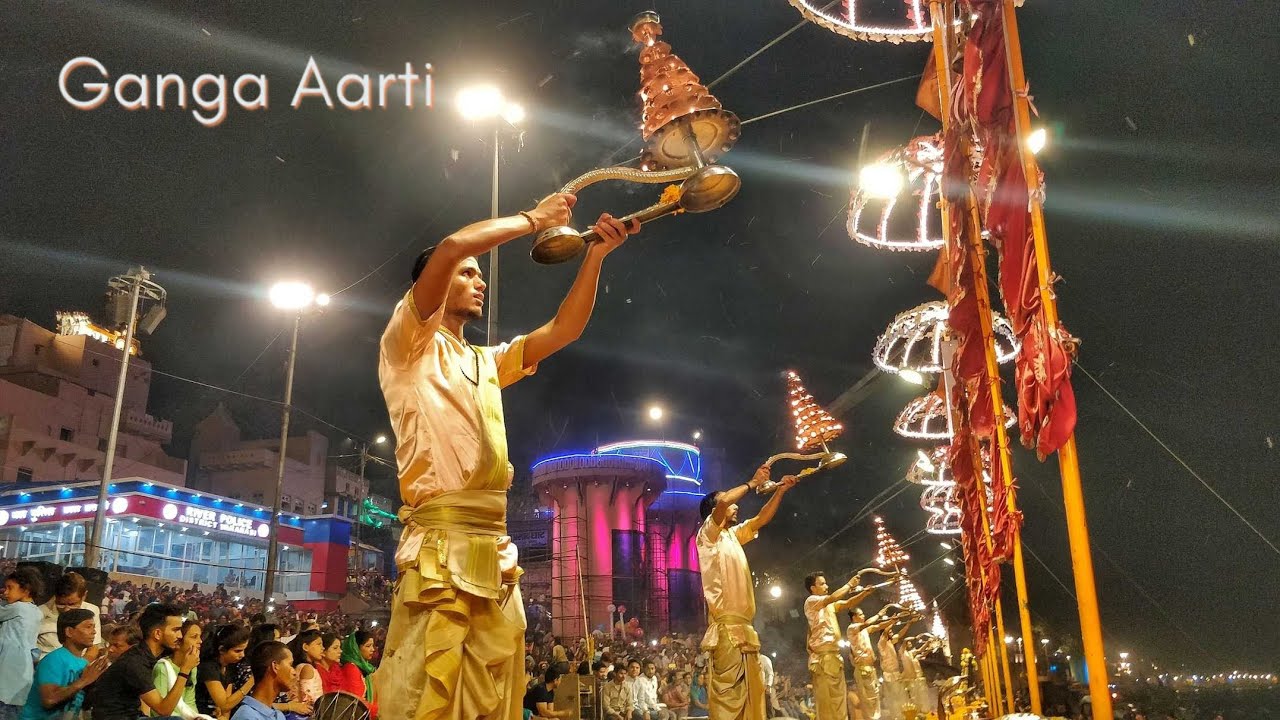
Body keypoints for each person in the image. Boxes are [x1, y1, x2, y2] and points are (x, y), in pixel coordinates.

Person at [371, 192, 638, 720]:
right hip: (441, 546)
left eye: (478, 274)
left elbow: (563, 331)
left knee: (495, 691)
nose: (480, 281)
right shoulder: (409, 345)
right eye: (468, 274)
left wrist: (595, 257)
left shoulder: (485, 361)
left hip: (494, 548)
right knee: (434, 689)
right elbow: (450, 246)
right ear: (431, 284)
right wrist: (532, 221)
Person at [695, 467, 798, 720]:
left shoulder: (731, 535)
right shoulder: (709, 533)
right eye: (728, 505)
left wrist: (780, 491)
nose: (735, 507)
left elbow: (760, 519)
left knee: (753, 697)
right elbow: (727, 500)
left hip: (745, 629)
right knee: (730, 699)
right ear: (715, 510)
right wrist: (753, 482)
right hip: (727, 631)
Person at [92, 603, 197, 720]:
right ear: (157, 634)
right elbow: (164, 710)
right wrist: (185, 670)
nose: (180, 635)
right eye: (176, 630)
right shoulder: (135, 662)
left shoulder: (144, 655)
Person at [803, 573, 876, 720]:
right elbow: (833, 598)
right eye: (822, 584)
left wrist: (863, 593)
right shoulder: (811, 601)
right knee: (828, 701)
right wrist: (849, 585)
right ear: (812, 588)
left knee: (839, 699)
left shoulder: (828, 605)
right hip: (823, 658)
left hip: (833, 656)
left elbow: (846, 603)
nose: (826, 586)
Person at [20, 608, 108, 720]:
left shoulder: (82, 663)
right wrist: (84, 680)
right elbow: (49, 700)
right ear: (69, 632)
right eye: (88, 627)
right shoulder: (54, 660)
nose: (94, 631)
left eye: (93, 627)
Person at [0, 566, 45, 720]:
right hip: (22, 676)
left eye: (9, 588)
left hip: (7, 673)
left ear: (26, 590)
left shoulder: (17, 608)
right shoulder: (37, 612)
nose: (5, 592)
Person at [36, 572, 103, 659]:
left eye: (72, 604)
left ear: (84, 596)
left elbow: (93, 648)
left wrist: (78, 668)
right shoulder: (39, 613)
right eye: (61, 604)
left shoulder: (92, 611)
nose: (66, 609)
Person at [196, 624, 254, 719]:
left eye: (244, 650)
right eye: (237, 651)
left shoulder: (230, 666)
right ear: (221, 649)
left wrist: (225, 718)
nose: (242, 655)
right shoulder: (208, 667)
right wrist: (251, 681)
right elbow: (225, 704)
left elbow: (227, 704)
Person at [152, 620, 205, 720]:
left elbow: (189, 703)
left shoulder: (192, 667)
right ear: (178, 642)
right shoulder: (162, 667)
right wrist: (184, 671)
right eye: (194, 637)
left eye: (200, 637)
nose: (200, 641)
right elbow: (158, 713)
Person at [230, 642, 298, 720]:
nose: (294, 672)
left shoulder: (278, 716)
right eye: (290, 665)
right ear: (275, 666)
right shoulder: (247, 716)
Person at [846, 609, 893, 720]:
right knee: (867, 699)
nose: (864, 615)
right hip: (862, 668)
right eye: (861, 614)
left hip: (870, 668)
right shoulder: (852, 628)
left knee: (875, 696)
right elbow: (868, 623)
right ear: (854, 617)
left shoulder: (864, 630)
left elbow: (878, 626)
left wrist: (892, 621)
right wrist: (878, 614)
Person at [339, 631, 377, 711]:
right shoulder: (351, 669)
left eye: (372, 646)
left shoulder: (365, 668)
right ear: (356, 648)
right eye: (368, 646)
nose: (372, 649)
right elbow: (356, 702)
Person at [285, 630, 325, 705]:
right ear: (305, 647)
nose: (322, 648)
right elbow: (307, 699)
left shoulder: (300, 666)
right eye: (319, 644)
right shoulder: (307, 668)